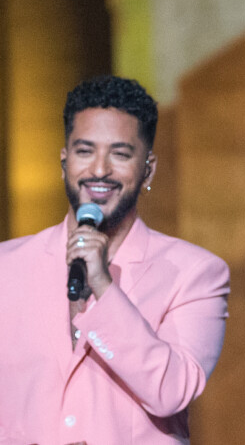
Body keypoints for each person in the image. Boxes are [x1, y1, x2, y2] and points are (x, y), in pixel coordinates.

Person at [0, 76, 230, 445]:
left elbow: (171, 391)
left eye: (120, 154)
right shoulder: (6, 267)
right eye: (85, 151)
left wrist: (104, 287)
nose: (99, 170)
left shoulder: (195, 273)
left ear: (148, 169)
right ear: (64, 161)